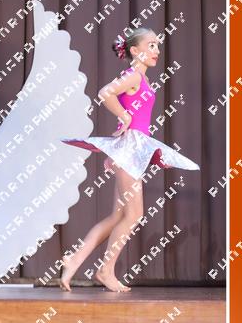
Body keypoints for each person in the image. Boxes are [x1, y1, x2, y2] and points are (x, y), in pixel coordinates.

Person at [59, 27, 199, 292]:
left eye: (157, 45)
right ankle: (105, 270)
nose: (157, 50)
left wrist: (152, 155)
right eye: (151, 45)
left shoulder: (139, 77)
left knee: (118, 216)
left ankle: (75, 259)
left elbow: (137, 123)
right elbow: (105, 93)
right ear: (135, 50)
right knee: (134, 214)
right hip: (128, 150)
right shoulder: (133, 75)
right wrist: (124, 116)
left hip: (133, 149)